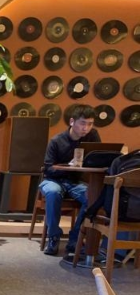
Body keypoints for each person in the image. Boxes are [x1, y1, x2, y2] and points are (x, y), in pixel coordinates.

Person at [40, 104, 101, 256]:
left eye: (90, 124)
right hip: (54, 179)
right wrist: (68, 166)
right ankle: (53, 236)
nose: (86, 128)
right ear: (72, 122)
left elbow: (99, 159)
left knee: (93, 197)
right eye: (82, 123)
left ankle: (75, 238)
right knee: (53, 193)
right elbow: (47, 168)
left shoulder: (92, 136)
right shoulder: (56, 141)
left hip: (76, 182)